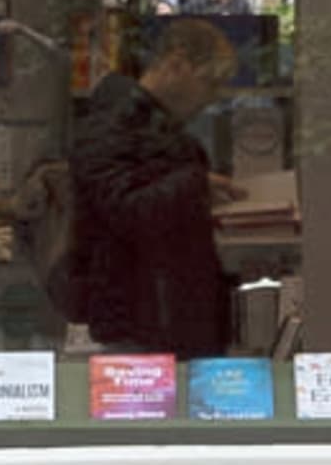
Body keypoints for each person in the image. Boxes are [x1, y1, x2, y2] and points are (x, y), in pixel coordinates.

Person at [62, 18, 235, 357]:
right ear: (176, 64)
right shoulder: (113, 126)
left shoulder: (153, 129)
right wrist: (193, 184)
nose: (211, 97)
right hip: (141, 323)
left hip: (165, 319)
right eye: (208, 83)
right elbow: (128, 212)